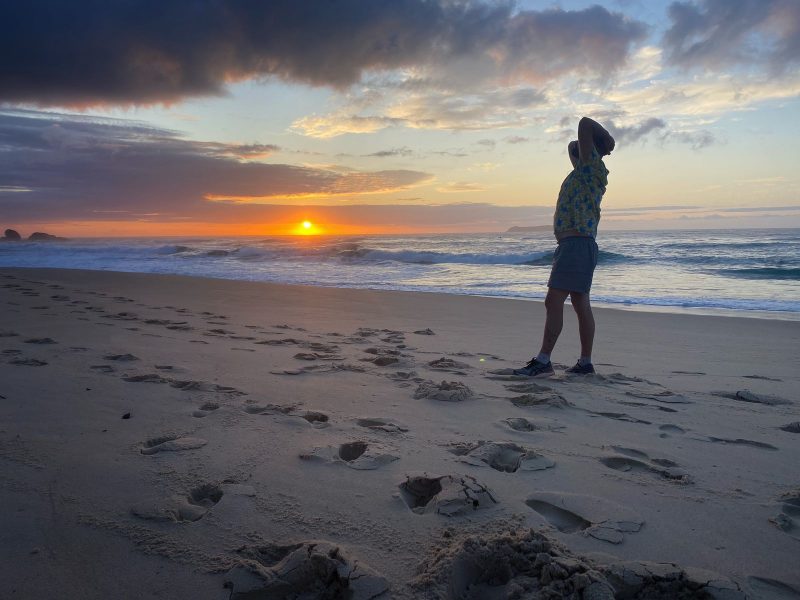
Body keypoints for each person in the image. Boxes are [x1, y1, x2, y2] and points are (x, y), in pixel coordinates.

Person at [514, 116, 615, 377]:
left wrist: (606, 138)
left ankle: (544, 360)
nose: (573, 152)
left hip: (577, 244)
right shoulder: (582, 173)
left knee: (554, 300)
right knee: (581, 303)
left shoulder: (590, 168)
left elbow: (584, 123)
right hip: (575, 245)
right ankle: (585, 363)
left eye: (577, 150)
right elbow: (575, 142)